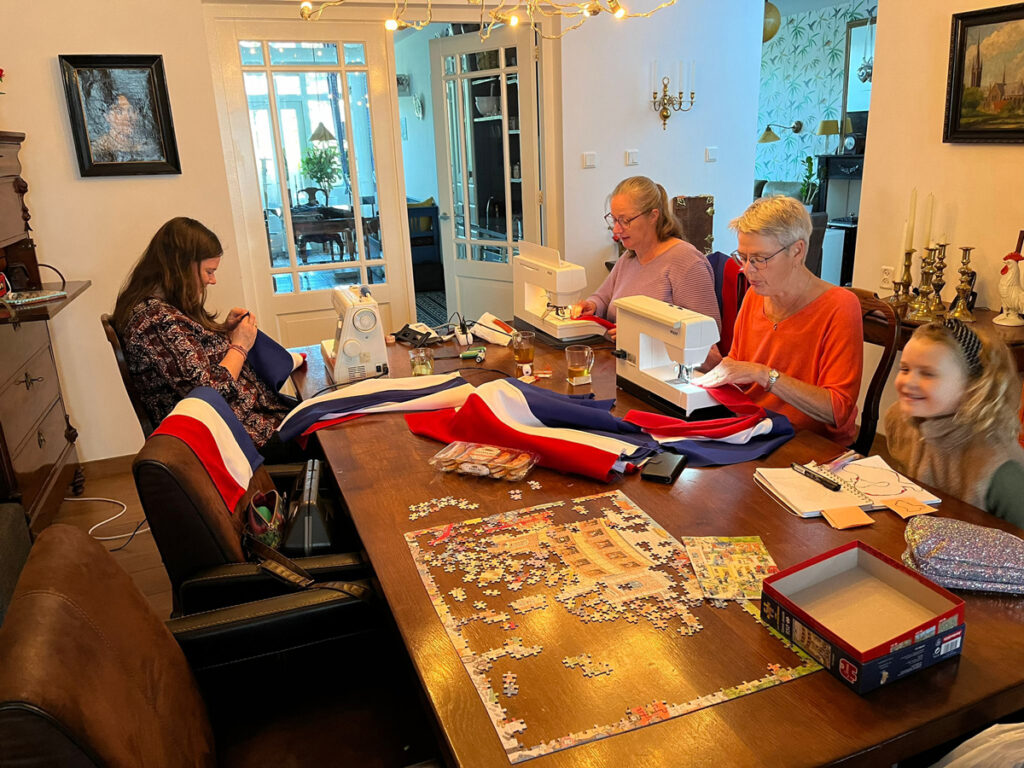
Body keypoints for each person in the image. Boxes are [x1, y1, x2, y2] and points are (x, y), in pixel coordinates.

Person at [112, 217, 298, 462]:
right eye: (209, 271)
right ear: (181, 267)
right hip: (238, 439)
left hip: (249, 423)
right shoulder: (155, 321)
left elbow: (191, 355)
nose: (213, 280)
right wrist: (239, 345)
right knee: (335, 435)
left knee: (328, 415)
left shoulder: (163, 310)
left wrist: (223, 332)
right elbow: (209, 392)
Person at [693, 196, 862, 444]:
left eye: (760, 259)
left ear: (797, 251)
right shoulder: (755, 294)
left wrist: (764, 375)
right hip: (756, 427)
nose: (747, 270)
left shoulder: (840, 307)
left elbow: (837, 410)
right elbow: (737, 364)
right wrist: (710, 369)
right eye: (743, 257)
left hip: (809, 444)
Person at [884, 319, 1024, 526]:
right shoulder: (900, 421)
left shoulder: (1002, 469)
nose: (908, 382)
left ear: (972, 386)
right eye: (905, 369)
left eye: (928, 374)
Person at [571, 176, 721, 357]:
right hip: (624, 361)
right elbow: (604, 297)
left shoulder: (686, 262)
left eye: (625, 221)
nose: (617, 230)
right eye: (614, 220)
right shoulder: (630, 257)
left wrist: (640, 336)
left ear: (653, 216)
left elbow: (706, 339)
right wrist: (592, 305)